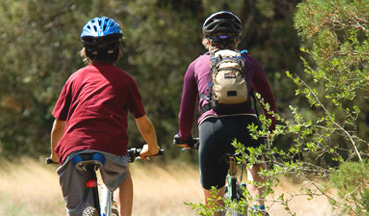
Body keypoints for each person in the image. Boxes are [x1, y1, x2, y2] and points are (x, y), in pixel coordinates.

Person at [49, 16, 160, 216]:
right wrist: (152, 147)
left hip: (72, 149)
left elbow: (59, 125)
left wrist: (55, 154)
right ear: (119, 50)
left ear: (85, 51)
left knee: (76, 210)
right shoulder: (126, 80)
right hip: (111, 148)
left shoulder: (74, 79)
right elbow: (142, 122)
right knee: (124, 174)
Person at [175, 11, 277, 216]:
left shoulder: (196, 65)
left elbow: (185, 112)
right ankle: (259, 207)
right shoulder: (248, 62)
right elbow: (268, 103)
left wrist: (185, 137)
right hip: (247, 126)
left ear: (206, 41)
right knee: (256, 161)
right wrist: (270, 129)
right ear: (237, 39)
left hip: (212, 130)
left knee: (214, 208)